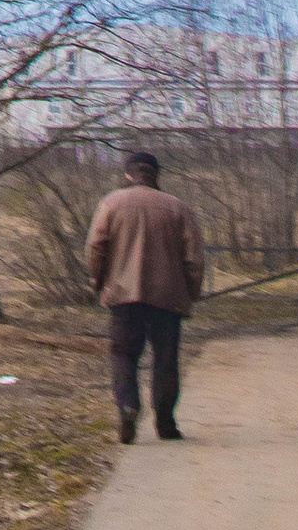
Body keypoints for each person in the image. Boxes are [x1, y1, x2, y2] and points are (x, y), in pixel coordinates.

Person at [84, 148, 207, 443]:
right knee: (166, 359)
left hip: (124, 296)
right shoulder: (177, 207)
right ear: (156, 175)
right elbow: (194, 257)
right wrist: (191, 291)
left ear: (128, 174)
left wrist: (98, 281)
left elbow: (95, 247)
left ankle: (128, 406)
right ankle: (165, 422)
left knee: (124, 355)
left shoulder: (111, 204)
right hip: (167, 296)